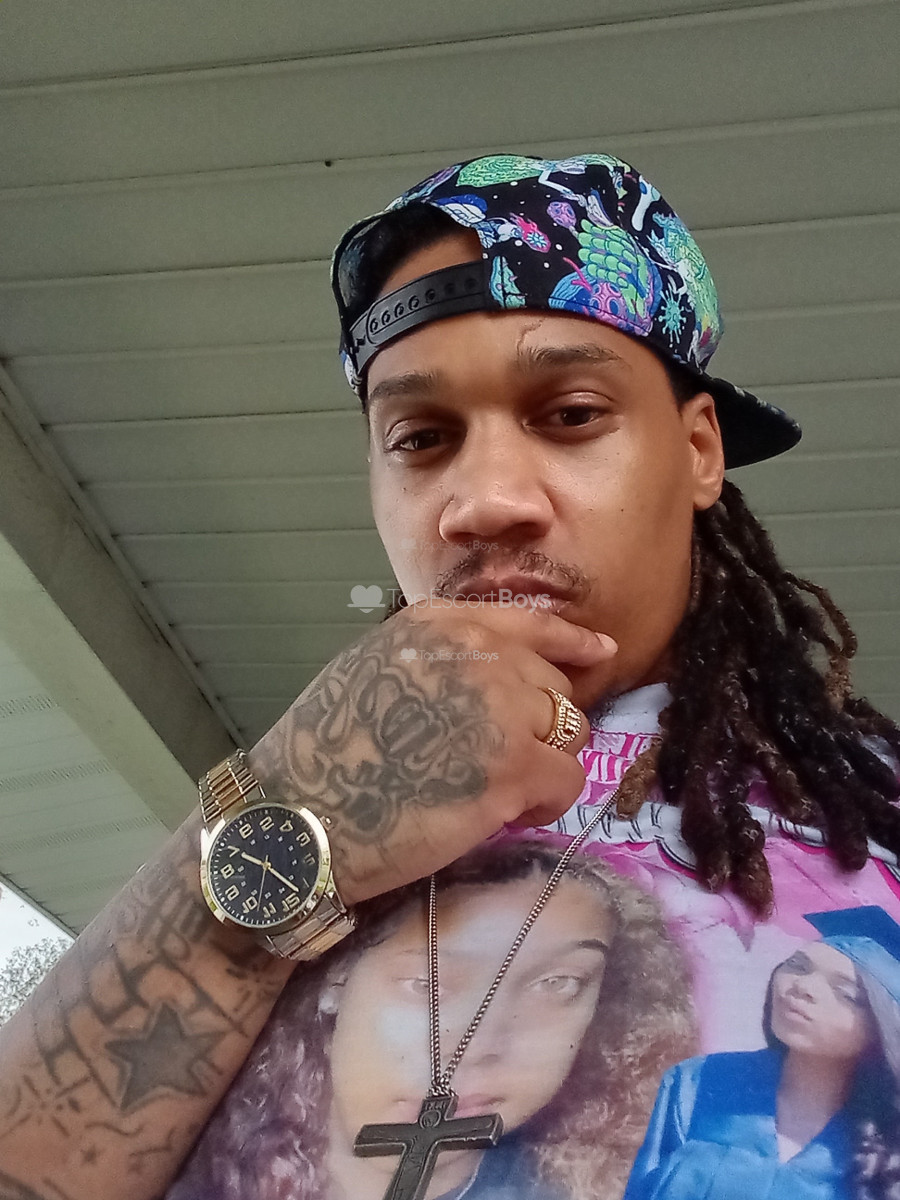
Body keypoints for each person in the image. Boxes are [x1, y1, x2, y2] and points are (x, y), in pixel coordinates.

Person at [1, 153, 898, 1200]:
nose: (485, 502)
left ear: (700, 450)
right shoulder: (298, 816)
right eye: (421, 437)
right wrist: (293, 804)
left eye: (571, 414)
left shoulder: (872, 828)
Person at [166, 841, 695, 1199]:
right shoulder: (184, 1154)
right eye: (429, 984)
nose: (480, 1045)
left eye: (558, 985)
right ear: (336, 979)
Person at [623, 906, 900, 1200]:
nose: (803, 986)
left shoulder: (889, 1146)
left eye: (845, 993)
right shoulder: (699, 1081)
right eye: (798, 965)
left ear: (882, 1028)